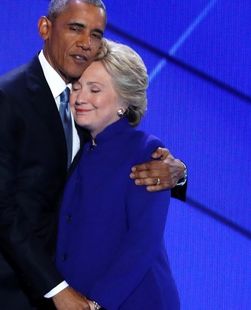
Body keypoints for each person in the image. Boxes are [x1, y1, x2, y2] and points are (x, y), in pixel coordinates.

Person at [0, 0, 187, 310]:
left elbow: (132, 207)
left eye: (95, 34)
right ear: (45, 28)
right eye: (75, 28)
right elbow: (3, 205)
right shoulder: (2, 99)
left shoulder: (92, 122)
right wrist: (58, 290)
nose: (85, 42)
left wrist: (178, 174)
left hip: (71, 290)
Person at [56, 39, 180, 309]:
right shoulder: (77, 144)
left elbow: (143, 241)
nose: (81, 98)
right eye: (76, 87)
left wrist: (97, 303)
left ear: (124, 100)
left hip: (131, 301)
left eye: (95, 89)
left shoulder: (147, 152)